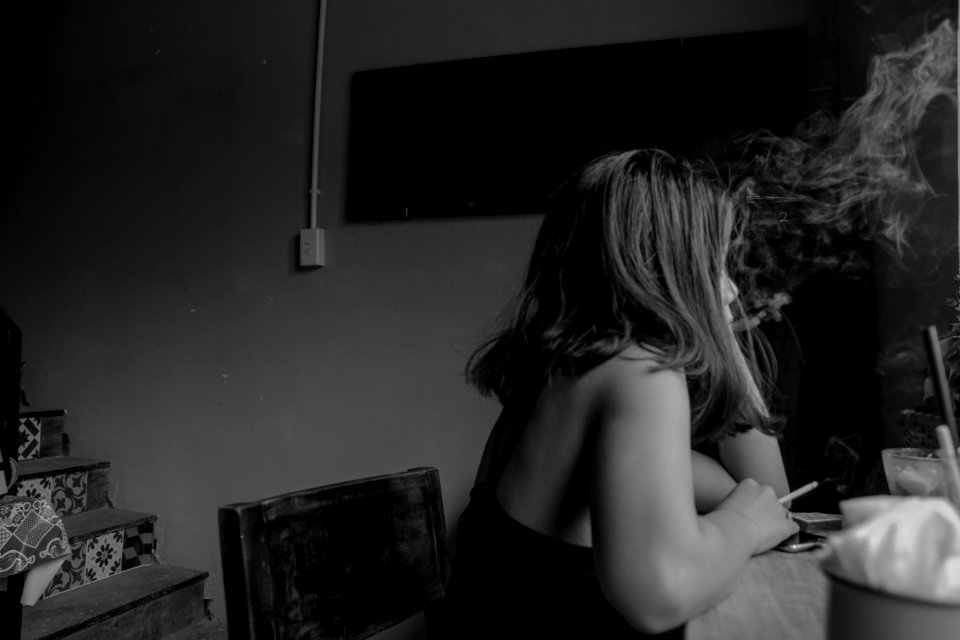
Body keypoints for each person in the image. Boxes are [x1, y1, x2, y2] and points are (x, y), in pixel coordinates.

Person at [442, 149, 799, 639]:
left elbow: (763, 496)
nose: (733, 291)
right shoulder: (639, 374)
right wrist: (745, 526)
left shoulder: (563, 376)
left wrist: (748, 512)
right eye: (715, 266)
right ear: (670, 268)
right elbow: (658, 595)